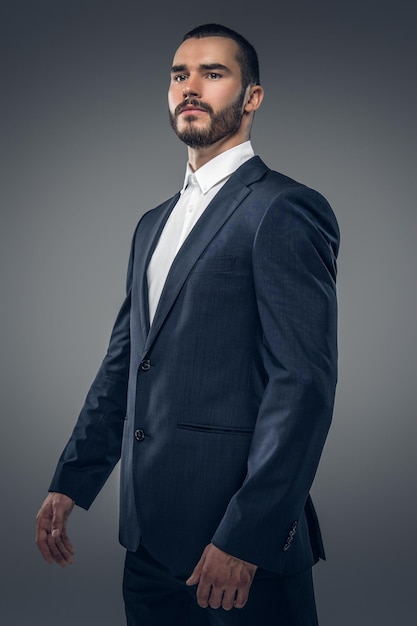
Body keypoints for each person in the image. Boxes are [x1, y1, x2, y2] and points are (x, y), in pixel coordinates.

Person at [35, 23, 339, 626]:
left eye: (213, 74)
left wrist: (245, 539)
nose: (190, 88)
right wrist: (73, 479)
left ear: (252, 97)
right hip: (147, 546)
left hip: (237, 553)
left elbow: (302, 386)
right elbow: (126, 362)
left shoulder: (284, 208)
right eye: (180, 75)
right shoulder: (152, 223)